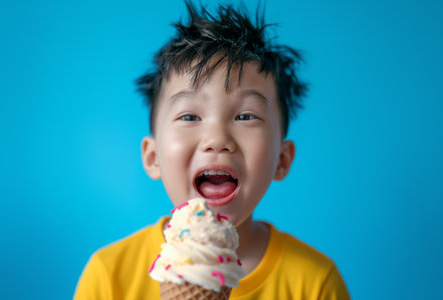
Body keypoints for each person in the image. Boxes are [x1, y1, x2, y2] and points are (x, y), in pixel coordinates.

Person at [74, 1, 350, 299]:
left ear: (282, 160)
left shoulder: (314, 283)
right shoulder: (109, 275)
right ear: (153, 158)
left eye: (246, 116)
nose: (217, 139)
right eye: (189, 117)